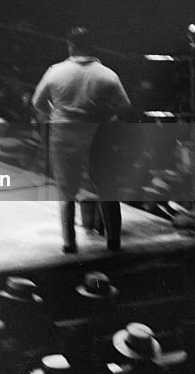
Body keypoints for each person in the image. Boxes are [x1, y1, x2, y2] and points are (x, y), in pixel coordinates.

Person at [32, 27, 131, 253]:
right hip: (96, 134)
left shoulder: (55, 72)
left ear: (70, 45)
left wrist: (56, 114)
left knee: (66, 192)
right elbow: (125, 107)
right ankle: (113, 241)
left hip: (63, 134)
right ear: (93, 46)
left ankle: (69, 244)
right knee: (107, 189)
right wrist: (106, 118)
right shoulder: (107, 74)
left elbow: (38, 102)